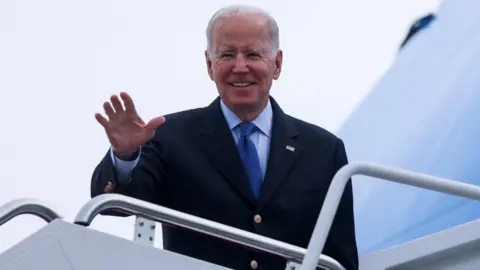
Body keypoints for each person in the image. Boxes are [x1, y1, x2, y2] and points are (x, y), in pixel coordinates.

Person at [91, 4, 358, 270]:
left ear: (277, 64)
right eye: (227, 55)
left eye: (253, 54)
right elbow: (114, 207)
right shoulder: (168, 136)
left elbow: (340, 261)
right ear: (209, 65)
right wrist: (125, 156)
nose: (240, 67)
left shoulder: (324, 151)